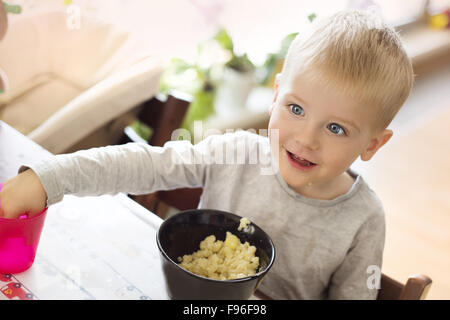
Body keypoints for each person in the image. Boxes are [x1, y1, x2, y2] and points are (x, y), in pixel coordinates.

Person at [0, 10, 414, 299]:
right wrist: (48, 179)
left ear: (373, 144)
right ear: (275, 96)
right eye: (296, 108)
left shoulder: (363, 219)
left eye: (336, 128)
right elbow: (143, 163)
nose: (306, 139)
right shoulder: (236, 153)